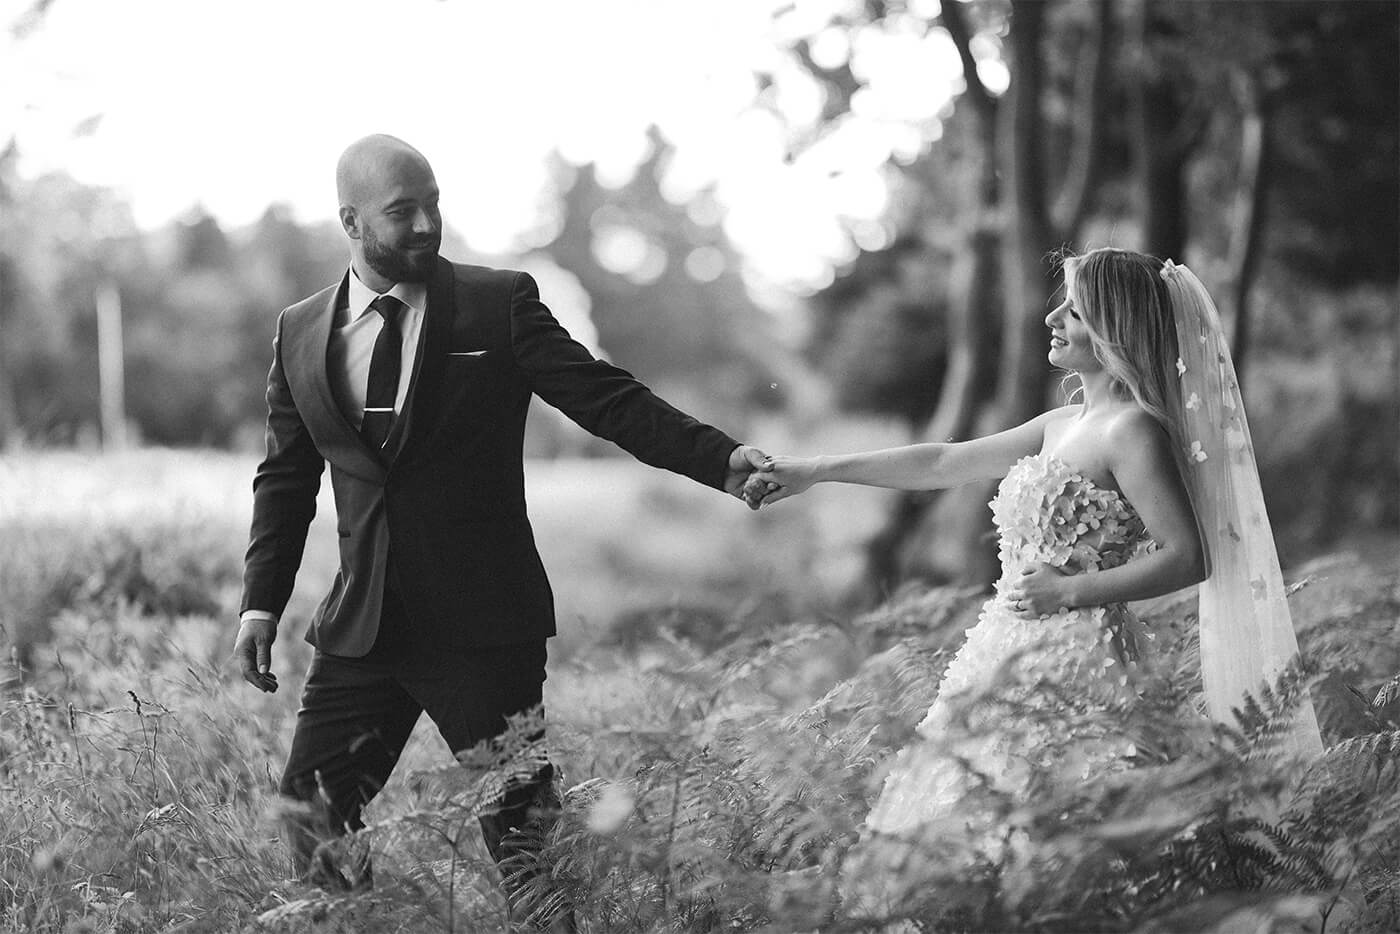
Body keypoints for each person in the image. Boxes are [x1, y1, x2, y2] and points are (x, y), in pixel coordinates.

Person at [231, 134, 771, 930]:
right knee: (310, 814)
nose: (426, 224)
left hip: (482, 626)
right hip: (365, 627)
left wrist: (719, 460)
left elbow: (608, 400)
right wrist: (260, 604)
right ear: (351, 221)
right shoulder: (300, 330)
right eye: (402, 211)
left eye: (433, 205)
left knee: (525, 847)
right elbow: (285, 477)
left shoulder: (499, 303)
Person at [753, 247, 1322, 918]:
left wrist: (1068, 593)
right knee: (970, 820)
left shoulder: (1132, 431)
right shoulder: (1061, 424)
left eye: (1073, 311)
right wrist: (816, 470)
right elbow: (941, 462)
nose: (1051, 318)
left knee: (1063, 839)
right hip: (1002, 651)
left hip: (1082, 663)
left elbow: (1186, 557)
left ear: (1112, 328)